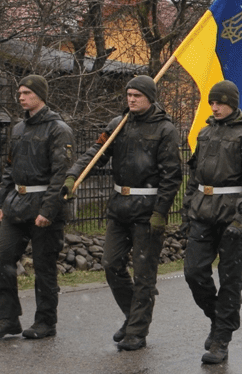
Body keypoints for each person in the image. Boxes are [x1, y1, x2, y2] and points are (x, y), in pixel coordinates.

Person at [65, 75, 181, 350]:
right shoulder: (118, 125)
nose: (131, 99)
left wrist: (160, 212)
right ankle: (132, 316)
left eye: (137, 96)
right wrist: (73, 175)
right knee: (111, 264)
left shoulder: (165, 130)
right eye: (128, 95)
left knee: (143, 274)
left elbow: (172, 176)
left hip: (147, 210)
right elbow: (96, 153)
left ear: (150, 98)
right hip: (119, 207)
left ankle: (137, 332)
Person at [0, 75, 74, 340]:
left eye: (26, 93)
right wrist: (0, 202)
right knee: (3, 258)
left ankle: (45, 322)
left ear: (40, 96)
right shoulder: (18, 129)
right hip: (16, 205)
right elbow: (10, 169)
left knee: (44, 265)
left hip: (44, 207)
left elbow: (61, 174)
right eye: (19, 93)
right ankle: (8, 319)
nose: (21, 97)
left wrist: (48, 210)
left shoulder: (59, 129)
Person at [182, 82, 242, 364]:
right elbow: (194, 177)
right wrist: (187, 211)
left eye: (219, 103)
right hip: (202, 213)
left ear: (232, 103)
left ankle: (221, 340)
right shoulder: (205, 133)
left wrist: (241, 219)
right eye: (211, 102)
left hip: (231, 217)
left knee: (230, 280)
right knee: (194, 273)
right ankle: (219, 318)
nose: (214, 107)